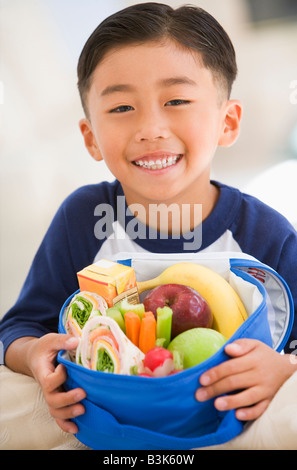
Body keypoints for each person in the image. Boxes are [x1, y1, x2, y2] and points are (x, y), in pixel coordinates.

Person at [1, 2, 297, 450]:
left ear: (227, 122)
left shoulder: (265, 233)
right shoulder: (82, 219)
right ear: (91, 138)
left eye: (176, 100)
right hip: (107, 420)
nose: (151, 127)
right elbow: (20, 325)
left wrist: (285, 370)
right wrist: (34, 356)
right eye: (121, 107)